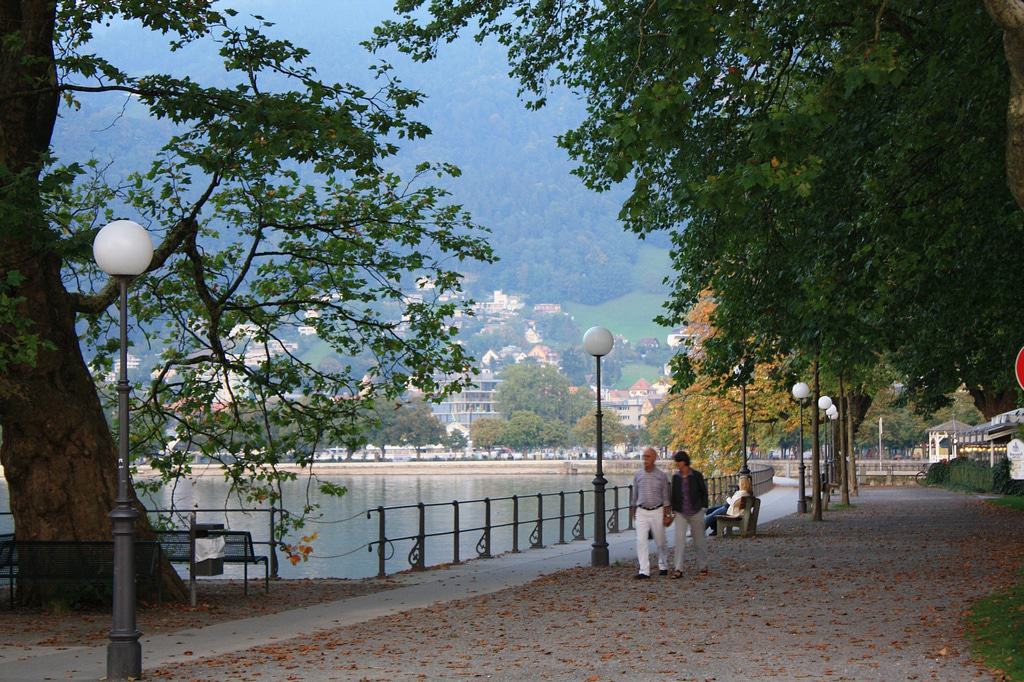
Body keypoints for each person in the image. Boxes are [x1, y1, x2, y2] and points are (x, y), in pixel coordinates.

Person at [629, 447, 671, 579]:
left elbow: (666, 498)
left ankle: (663, 565)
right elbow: (634, 495)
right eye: (644, 457)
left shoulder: (661, 476)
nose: (645, 459)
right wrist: (633, 511)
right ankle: (644, 570)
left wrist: (666, 515)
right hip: (641, 511)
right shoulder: (638, 475)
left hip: (657, 510)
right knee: (641, 541)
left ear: (654, 458)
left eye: (648, 457)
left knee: (660, 541)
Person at [668, 450, 709, 578]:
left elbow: (703, 492)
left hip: (696, 511)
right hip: (681, 512)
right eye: (676, 462)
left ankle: (703, 566)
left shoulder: (696, 475)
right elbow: (673, 495)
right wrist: (673, 510)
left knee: (699, 540)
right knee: (679, 540)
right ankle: (678, 569)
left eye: (679, 461)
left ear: (684, 462)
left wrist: (703, 507)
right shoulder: (676, 477)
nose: (677, 464)